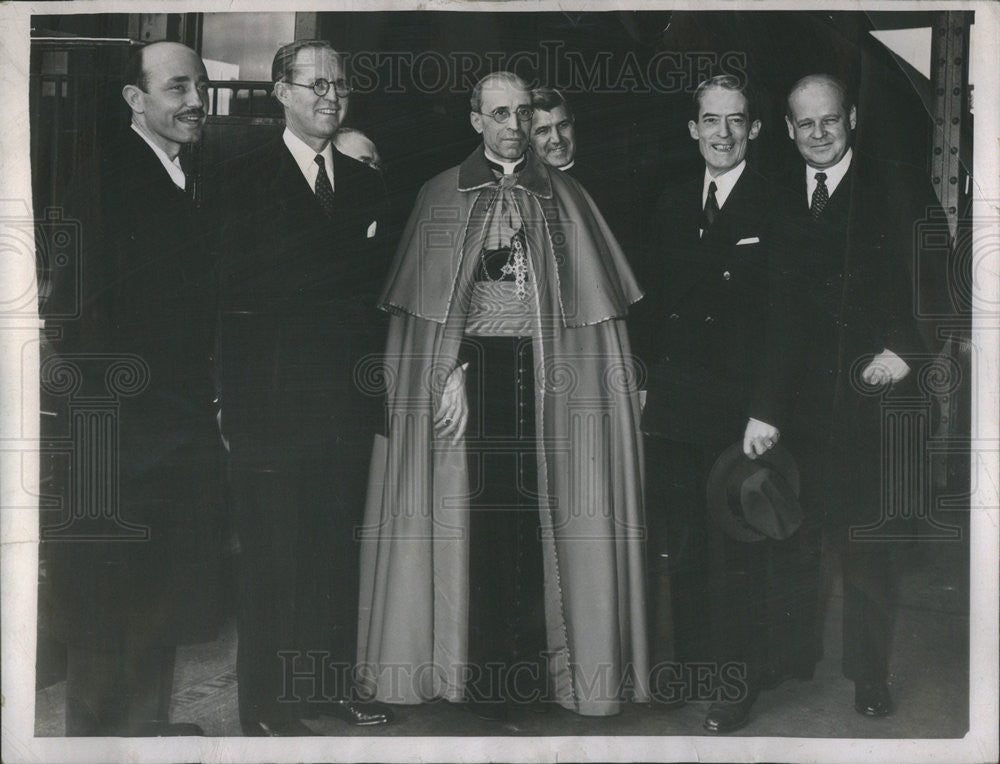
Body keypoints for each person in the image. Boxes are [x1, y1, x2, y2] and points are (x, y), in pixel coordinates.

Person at [356, 71, 649, 718]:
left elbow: (592, 321)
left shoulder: (566, 197)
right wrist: (447, 372)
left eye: (521, 113)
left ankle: (543, 676)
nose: (512, 126)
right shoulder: (440, 195)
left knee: (538, 525)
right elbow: (425, 318)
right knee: (475, 526)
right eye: (498, 114)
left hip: (546, 383)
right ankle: (475, 678)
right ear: (474, 119)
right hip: (469, 380)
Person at [747, 74, 946, 719]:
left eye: (830, 120)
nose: (819, 134)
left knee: (868, 544)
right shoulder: (778, 194)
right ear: (788, 130)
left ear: (851, 118)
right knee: (796, 537)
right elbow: (774, 313)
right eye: (805, 124)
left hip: (876, 400)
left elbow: (942, 278)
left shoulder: (897, 183)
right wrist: (766, 407)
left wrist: (908, 351)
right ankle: (793, 657)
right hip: (803, 406)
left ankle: (869, 675)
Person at [42, 41, 224, 736]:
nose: (195, 101)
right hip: (121, 438)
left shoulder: (181, 171)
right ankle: (95, 746)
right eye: (177, 87)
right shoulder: (108, 175)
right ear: (134, 98)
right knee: (106, 614)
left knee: (155, 606)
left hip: (164, 433)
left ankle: (144, 738)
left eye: (200, 86)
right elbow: (86, 320)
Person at [632, 74, 820, 733]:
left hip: (741, 417)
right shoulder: (671, 201)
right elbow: (651, 307)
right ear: (693, 129)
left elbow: (790, 322)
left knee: (737, 553)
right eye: (710, 121)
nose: (723, 133)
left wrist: (767, 410)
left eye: (736, 121)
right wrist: (645, 382)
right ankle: (690, 667)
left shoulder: (778, 205)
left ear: (756, 129)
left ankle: (733, 684)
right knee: (680, 545)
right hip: (678, 408)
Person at [217, 39, 392, 736]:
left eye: (340, 85)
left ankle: (327, 689)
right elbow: (224, 298)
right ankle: (267, 709)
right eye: (316, 84)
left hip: (343, 404)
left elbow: (373, 303)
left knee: (331, 550)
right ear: (282, 92)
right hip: (269, 405)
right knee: (273, 558)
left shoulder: (366, 183)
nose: (331, 96)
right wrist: (228, 400)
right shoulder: (239, 178)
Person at [529, 87, 624, 242]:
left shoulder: (607, 186)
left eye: (563, 125)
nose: (556, 139)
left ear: (573, 122)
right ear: (527, 138)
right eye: (543, 131)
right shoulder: (521, 194)